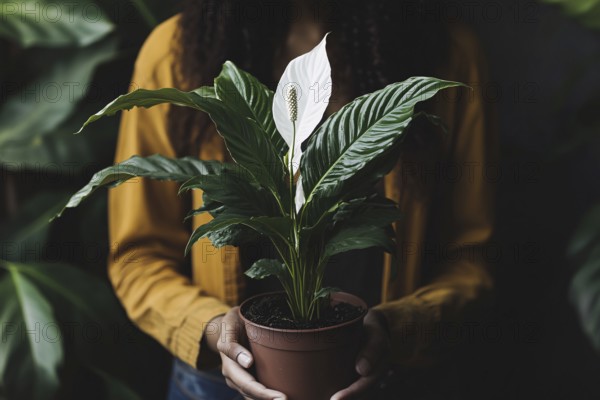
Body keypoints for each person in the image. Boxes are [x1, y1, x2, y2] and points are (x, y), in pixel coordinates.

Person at [108, 0, 496, 399]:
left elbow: (471, 256)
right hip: (215, 386)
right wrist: (211, 329)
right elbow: (139, 257)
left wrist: (399, 326)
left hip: (389, 380)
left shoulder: (446, 54)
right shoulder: (176, 53)